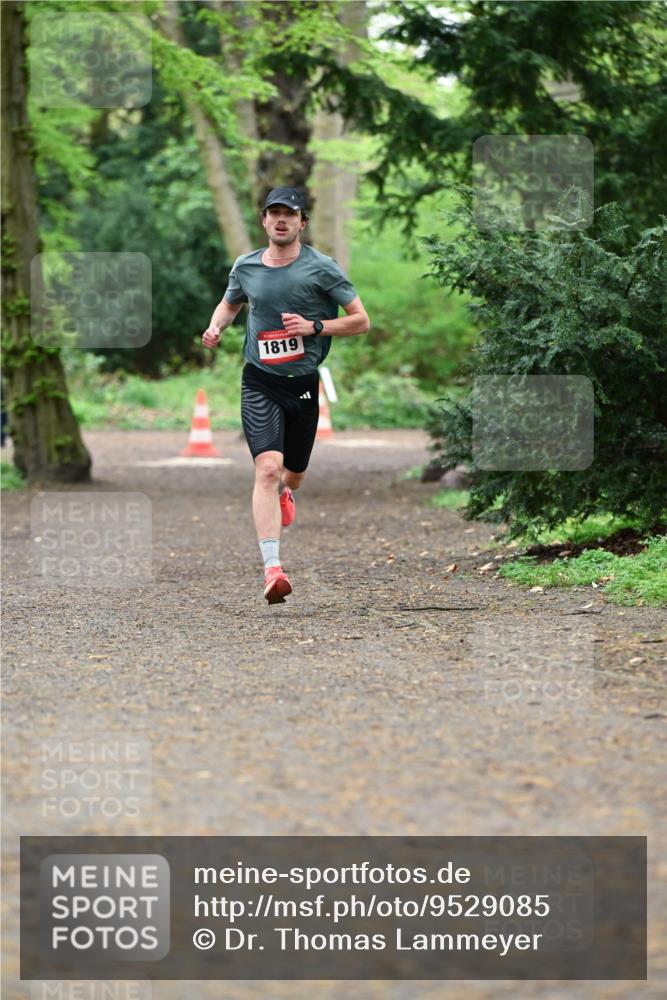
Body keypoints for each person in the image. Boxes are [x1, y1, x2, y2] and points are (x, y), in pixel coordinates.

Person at [202, 187, 370, 604]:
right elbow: (230, 304)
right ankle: (272, 569)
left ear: (301, 223)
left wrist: (314, 327)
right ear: (263, 220)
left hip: (302, 384)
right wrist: (216, 326)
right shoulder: (245, 266)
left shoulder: (322, 269)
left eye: (289, 214)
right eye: (273, 213)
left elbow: (361, 322)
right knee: (267, 469)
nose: (281, 220)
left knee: (291, 474)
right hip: (260, 380)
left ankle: (286, 493)